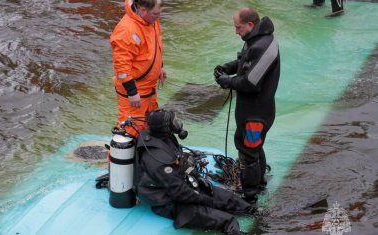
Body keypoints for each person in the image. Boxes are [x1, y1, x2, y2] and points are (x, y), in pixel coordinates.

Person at [134, 109, 264, 235]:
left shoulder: (166, 137)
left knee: (225, 197)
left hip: (178, 185)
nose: (177, 123)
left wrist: (198, 177)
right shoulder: (158, 160)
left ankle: (252, 210)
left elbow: (180, 159)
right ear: (165, 127)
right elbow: (178, 192)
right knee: (227, 220)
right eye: (173, 121)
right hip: (166, 200)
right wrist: (203, 199)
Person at [214, 7, 280, 204]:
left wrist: (227, 81)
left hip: (256, 115)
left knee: (249, 154)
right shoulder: (255, 39)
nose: (236, 31)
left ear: (250, 25)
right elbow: (246, 61)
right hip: (252, 111)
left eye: (239, 27)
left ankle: (249, 197)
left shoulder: (263, 46)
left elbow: (250, 82)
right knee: (254, 148)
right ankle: (259, 184)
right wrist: (228, 67)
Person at [110, 0, 166, 137]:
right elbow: (122, 67)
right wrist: (132, 91)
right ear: (142, 10)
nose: (158, 17)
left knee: (150, 127)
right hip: (135, 93)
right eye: (155, 14)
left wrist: (160, 67)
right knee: (130, 132)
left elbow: (154, 45)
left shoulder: (151, 20)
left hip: (149, 89)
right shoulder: (126, 30)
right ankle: (117, 158)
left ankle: (143, 156)